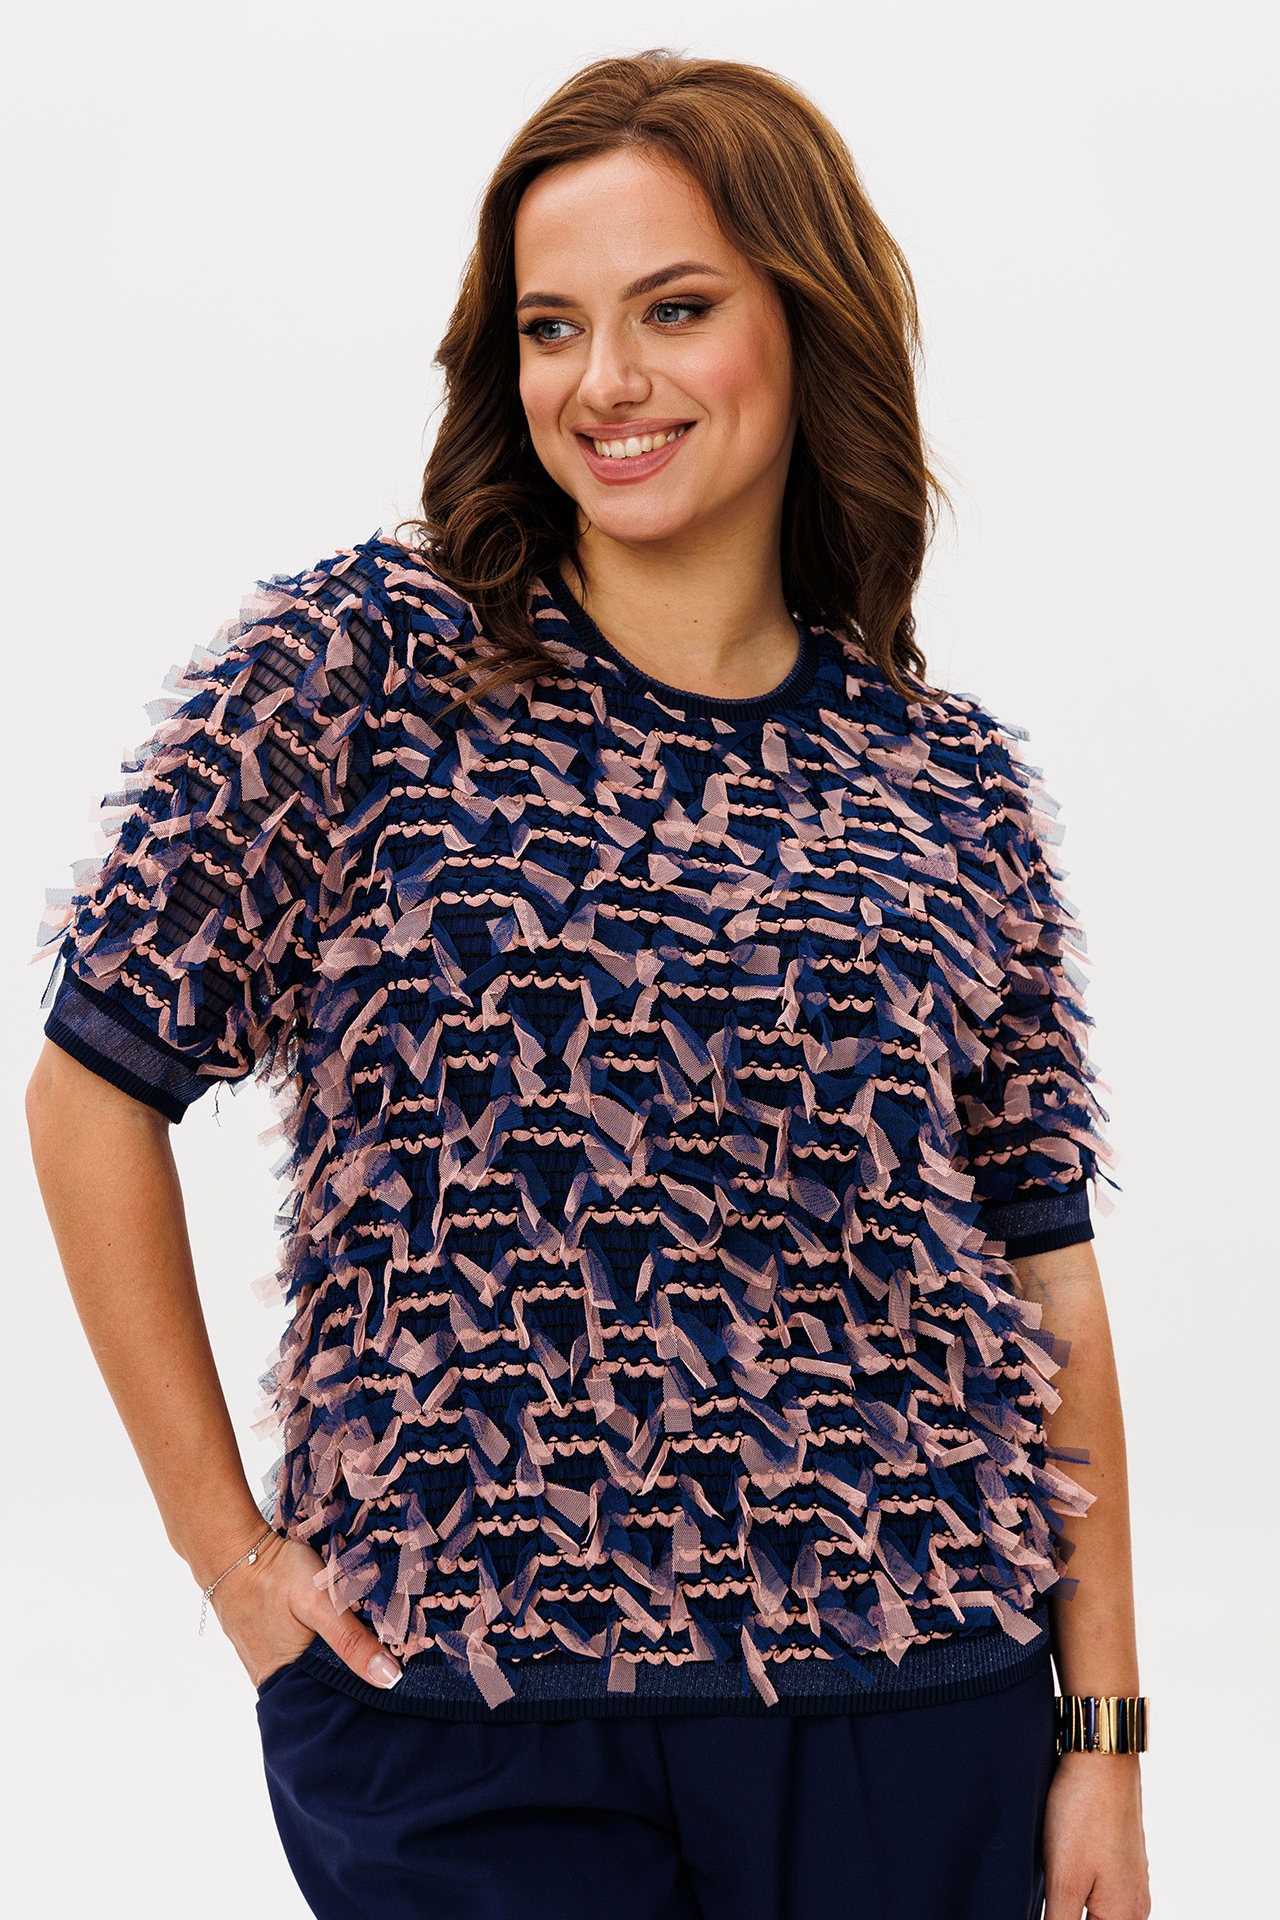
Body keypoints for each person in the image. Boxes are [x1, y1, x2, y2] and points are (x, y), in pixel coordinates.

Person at [26, 47, 1151, 1920]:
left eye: (674, 309)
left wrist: (1103, 1735)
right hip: (465, 1715)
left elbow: (1047, 1274)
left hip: (914, 1698)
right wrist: (232, 1565)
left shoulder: (946, 783)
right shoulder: (365, 666)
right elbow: (88, 1096)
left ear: (806, 325)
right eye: (552, 327)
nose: (605, 380)